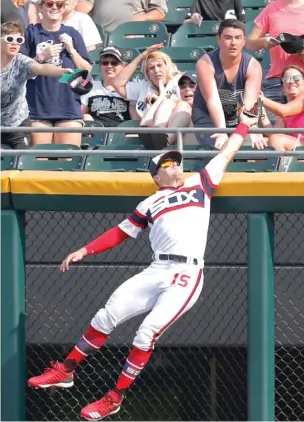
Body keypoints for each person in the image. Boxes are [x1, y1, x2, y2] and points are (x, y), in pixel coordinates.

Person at [28, 110, 258, 421]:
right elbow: (121, 232)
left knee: (145, 332)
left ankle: (114, 396)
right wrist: (86, 249)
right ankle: (66, 370)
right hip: (156, 269)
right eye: (166, 163)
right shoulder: (149, 202)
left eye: (175, 160)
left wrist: (245, 123)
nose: (173, 165)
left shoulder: (200, 181)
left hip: (186, 273)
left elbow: (229, 151)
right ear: (155, 176)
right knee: (106, 315)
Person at [21, 0, 92, 147]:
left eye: (59, 4)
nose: (54, 7)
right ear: (40, 6)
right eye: (49, 3)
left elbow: (87, 70)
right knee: (37, 164)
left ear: (64, 7)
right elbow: (19, 69)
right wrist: (41, 57)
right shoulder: (30, 33)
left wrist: (72, 50)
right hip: (37, 109)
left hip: (68, 107)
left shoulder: (73, 33)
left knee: (69, 163)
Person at [1, 20, 73, 149]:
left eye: (19, 40)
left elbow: (41, 68)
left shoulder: (21, 61)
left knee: (21, 163)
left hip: (17, 125)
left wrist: (62, 72)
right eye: (10, 39)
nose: (14, 44)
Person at [192, 19, 263, 150]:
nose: (233, 43)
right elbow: (212, 101)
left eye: (238, 38)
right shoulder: (205, 63)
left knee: (247, 147)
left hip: (237, 117)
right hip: (207, 115)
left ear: (244, 41)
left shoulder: (253, 66)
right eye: (228, 38)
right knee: (218, 146)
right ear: (218, 39)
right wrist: (221, 131)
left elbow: (249, 104)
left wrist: (251, 128)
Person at [245, 0, 304, 123]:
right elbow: (250, 43)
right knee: (273, 133)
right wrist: (264, 42)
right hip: (276, 81)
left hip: (301, 82)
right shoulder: (272, 7)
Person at [81, 46, 132, 127]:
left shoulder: (130, 88)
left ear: (123, 66)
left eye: (114, 63)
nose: (109, 66)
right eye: (105, 63)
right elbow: (81, 114)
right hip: (96, 134)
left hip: (121, 136)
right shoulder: (91, 87)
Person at [259, 65, 304, 150]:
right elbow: (274, 135)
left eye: (297, 78)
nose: (291, 82)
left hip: (301, 148)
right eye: (286, 80)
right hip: (295, 147)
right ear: (283, 88)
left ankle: (283, 163)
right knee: (262, 141)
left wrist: (260, 98)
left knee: (276, 139)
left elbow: (285, 111)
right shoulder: (282, 114)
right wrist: (261, 109)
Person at [75, 0, 168, 34]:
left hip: (130, 34)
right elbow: (84, 6)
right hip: (100, 36)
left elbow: (159, 12)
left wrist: (142, 18)